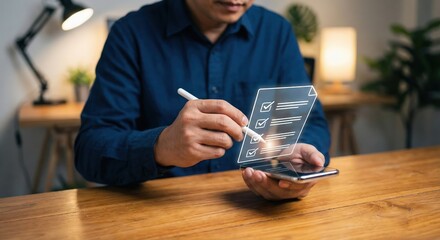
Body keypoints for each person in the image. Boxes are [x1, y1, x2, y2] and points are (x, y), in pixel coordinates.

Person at [74, 0, 331, 201]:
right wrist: (161, 147)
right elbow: (90, 150)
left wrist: (294, 164)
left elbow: (312, 123)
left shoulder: (277, 32)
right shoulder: (131, 34)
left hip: (257, 211)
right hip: (157, 212)